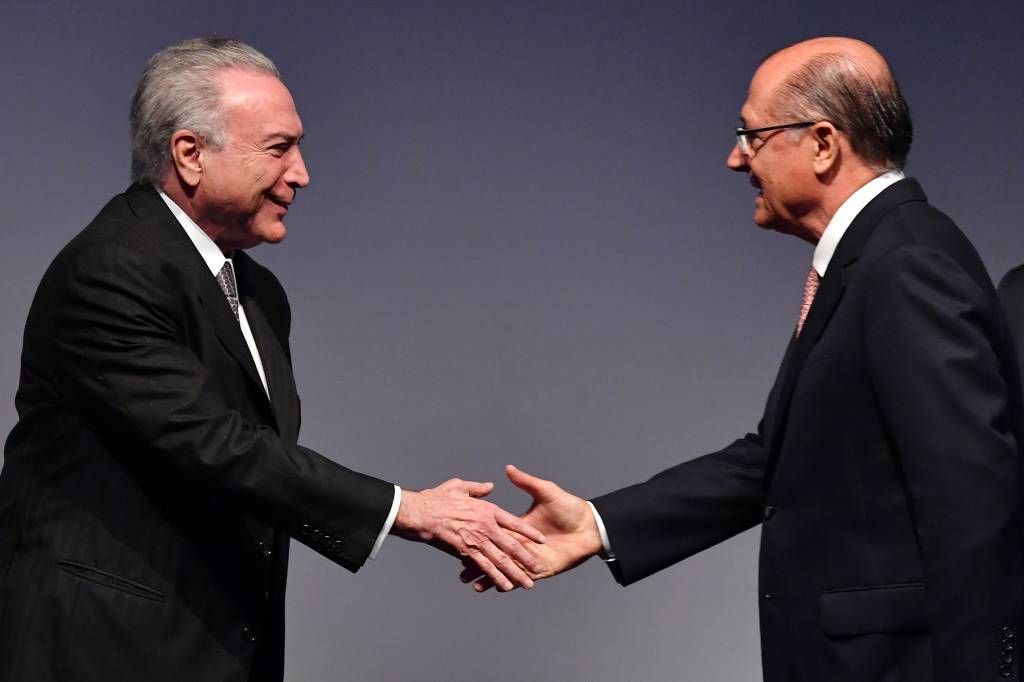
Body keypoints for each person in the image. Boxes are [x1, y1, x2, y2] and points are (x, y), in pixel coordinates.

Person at [462, 37, 1024, 681]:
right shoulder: (872, 258)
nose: (736, 159)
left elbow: (972, 502)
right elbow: (776, 459)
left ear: (822, 144)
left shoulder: (906, 265)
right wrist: (597, 525)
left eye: (751, 136)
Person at [0, 37, 546, 682]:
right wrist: (408, 510)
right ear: (190, 154)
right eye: (279, 148)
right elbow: (213, 443)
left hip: (220, 646)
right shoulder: (113, 267)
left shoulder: (257, 292)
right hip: (102, 648)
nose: (302, 173)